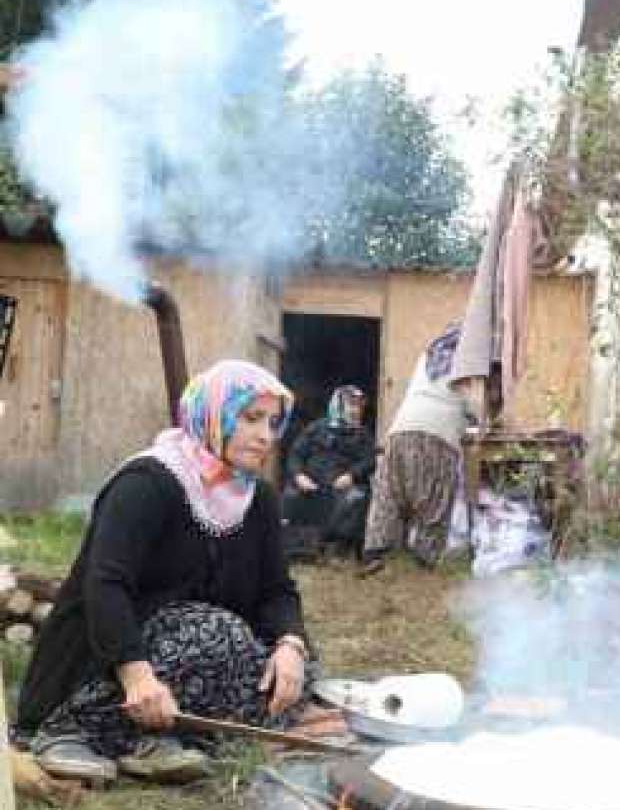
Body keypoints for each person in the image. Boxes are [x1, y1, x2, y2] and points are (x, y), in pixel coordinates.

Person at [15, 359, 309, 784]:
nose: (265, 435)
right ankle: (66, 730)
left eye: (273, 422)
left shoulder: (255, 497)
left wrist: (291, 646)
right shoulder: (147, 483)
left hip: (190, 658)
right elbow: (106, 585)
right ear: (213, 416)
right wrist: (135, 674)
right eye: (250, 418)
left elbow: (277, 590)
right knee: (218, 632)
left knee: (290, 673)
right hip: (107, 655)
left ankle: (150, 738)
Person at [362, 324, 472, 573]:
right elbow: (472, 403)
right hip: (439, 434)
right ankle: (424, 558)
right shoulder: (467, 362)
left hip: (401, 429)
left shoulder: (428, 357)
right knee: (435, 496)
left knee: (389, 492)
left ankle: (376, 553)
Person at [282, 385, 375, 557]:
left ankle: (339, 549)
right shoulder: (316, 428)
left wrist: (352, 475)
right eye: (351, 405)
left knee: (356, 497)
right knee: (291, 496)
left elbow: (369, 460)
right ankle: (299, 549)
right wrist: (299, 475)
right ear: (338, 405)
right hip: (311, 483)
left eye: (359, 406)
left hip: (342, 484)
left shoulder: (362, 434)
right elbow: (296, 454)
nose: (356, 410)